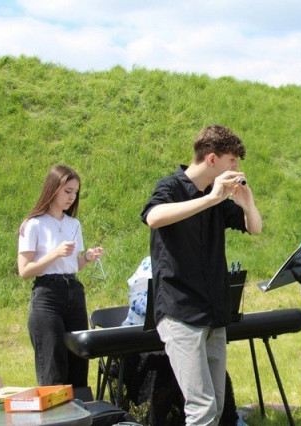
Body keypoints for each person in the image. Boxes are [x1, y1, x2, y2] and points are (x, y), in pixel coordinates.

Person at [141, 125, 262, 426]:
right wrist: (212, 199)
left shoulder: (216, 196)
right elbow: (153, 217)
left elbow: (255, 227)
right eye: (232, 161)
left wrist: (246, 201)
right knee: (202, 408)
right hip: (180, 311)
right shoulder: (171, 186)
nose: (236, 168)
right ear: (212, 159)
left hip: (213, 312)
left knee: (217, 406)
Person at [121, 256, 247, 426]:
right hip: (143, 343)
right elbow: (136, 300)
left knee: (208, 371)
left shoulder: (197, 266)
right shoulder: (151, 264)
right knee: (167, 371)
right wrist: (172, 307)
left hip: (180, 336)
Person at [17, 164, 105, 387]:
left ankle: (80, 407)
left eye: (75, 192)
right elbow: (24, 270)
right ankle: (54, 407)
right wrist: (55, 253)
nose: (72, 197)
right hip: (47, 294)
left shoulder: (73, 224)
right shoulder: (33, 224)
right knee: (53, 363)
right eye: (67, 191)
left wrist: (87, 258)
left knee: (78, 361)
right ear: (53, 188)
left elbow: (73, 265)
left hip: (74, 291)